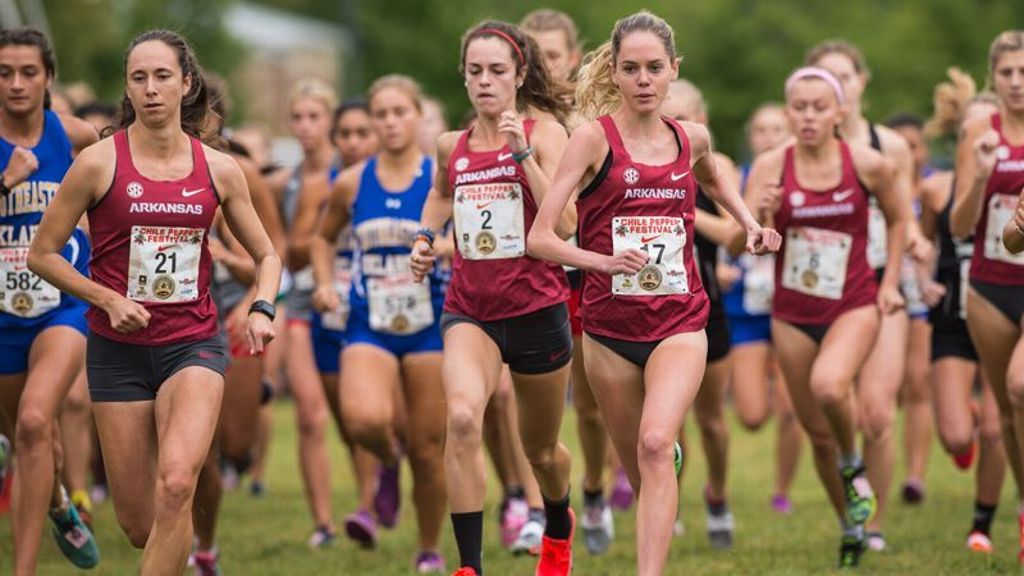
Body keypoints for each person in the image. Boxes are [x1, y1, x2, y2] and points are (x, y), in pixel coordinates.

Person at [528, 12, 779, 575]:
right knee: (643, 471)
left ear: (673, 72)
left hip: (680, 321)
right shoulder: (593, 139)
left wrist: (749, 223)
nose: (644, 79)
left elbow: (713, 176)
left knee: (654, 443)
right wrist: (602, 260)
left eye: (655, 68)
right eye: (632, 68)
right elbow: (541, 237)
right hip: (610, 332)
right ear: (614, 74)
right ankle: (661, 462)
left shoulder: (691, 137)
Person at [27, 29, 280, 574]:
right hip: (117, 351)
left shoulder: (219, 168)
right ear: (127, 87)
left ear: (187, 84)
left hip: (193, 344)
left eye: (163, 76)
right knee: (142, 524)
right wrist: (106, 298)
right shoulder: (97, 163)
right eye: (138, 78)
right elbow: (42, 254)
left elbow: (268, 257)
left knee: (177, 483)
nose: (151, 89)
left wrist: (262, 307)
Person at [409, 19, 576, 576]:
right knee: (461, 420)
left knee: (543, 453)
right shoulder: (449, 145)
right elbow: (438, 195)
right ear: (464, 77)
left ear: (520, 74)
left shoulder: (547, 132)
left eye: (497, 71)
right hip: (470, 310)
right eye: (474, 72)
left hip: (537, 311)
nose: (485, 81)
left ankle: (558, 521)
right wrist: (424, 238)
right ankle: (470, 566)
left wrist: (522, 153)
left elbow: (568, 223)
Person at [745, 66, 905, 568]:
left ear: (840, 112)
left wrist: (892, 282)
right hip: (791, 312)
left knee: (830, 385)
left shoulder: (867, 164)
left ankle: (853, 462)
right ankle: (850, 524)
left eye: (820, 107)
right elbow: (746, 242)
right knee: (816, 433)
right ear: (788, 110)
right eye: (800, 107)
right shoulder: (771, 166)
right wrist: (765, 215)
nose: (809, 116)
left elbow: (901, 219)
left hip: (853, 301)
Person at [313, 74, 448, 573]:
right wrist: (326, 281)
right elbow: (322, 239)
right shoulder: (352, 181)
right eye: (382, 114)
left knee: (429, 450)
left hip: (431, 324)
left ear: (417, 116)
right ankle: (387, 462)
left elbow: (470, 236)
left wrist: (442, 253)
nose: (390, 122)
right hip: (368, 321)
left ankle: (429, 548)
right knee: (363, 419)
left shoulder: (441, 176)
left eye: (400, 112)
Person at [806, 41, 926, 552]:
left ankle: (872, 523)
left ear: (861, 82)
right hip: (819, 289)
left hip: (878, 282)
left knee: (877, 412)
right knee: (827, 420)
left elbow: (906, 216)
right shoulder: (800, 147)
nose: (838, 86)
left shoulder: (889, 148)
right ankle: (849, 516)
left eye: (845, 77)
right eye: (825, 77)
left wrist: (904, 270)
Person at [0, 27, 101, 574]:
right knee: (27, 434)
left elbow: (119, 179)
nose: (17, 84)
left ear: (48, 78)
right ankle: (60, 501)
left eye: (28, 72)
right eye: (4, 72)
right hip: (1, 312)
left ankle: (22, 570)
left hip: (62, 302)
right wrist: (4, 182)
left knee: (38, 421)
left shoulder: (75, 135)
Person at [920, 68, 1006, 554]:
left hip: (1001, 307)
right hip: (953, 318)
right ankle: (965, 425)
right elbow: (922, 244)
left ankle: (982, 524)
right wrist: (920, 279)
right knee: (956, 436)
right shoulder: (937, 189)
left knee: (997, 427)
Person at [950, 29, 1024, 567]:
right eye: (1007, 73)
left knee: (1022, 386)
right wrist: (979, 176)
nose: (1017, 83)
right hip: (990, 284)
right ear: (992, 76)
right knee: (1005, 406)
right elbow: (957, 223)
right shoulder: (979, 132)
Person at [661, 78, 741, 549]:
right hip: (654, 306)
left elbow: (734, 236)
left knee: (711, 419)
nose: (673, 128)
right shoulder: (638, 159)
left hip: (706, 306)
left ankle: (719, 494)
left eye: (683, 118)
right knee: (668, 423)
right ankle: (666, 502)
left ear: (702, 123)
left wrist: (685, 205)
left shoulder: (717, 166)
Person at [723, 102, 803, 515]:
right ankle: (772, 378)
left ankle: (782, 490)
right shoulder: (739, 181)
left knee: (792, 409)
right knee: (752, 414)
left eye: (778, 129)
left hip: (793, 304)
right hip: (747, 308)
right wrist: (756, 214)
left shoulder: (808, 179)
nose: (769, 137)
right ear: (751, 138)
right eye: (761, 130)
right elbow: (730, 243)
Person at [275, 78, 344, 547]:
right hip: (299, 301)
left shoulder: (353, 174)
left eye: (314, 116)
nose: (305, 126)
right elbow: (286, 251)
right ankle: (323, 523)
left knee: (354, 418)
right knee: (309, 415)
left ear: (331, 120)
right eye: (297, 117)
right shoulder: (285, 182)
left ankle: (371, 502)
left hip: (348, 300)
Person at [884, 112, 935, 504]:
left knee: (918, 382)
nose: (910, 154)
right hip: (889, 290)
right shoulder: (879, 184)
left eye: (915, 146)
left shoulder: (933, 190)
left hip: (925, 296)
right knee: (893, 388)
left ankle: (915, 475)